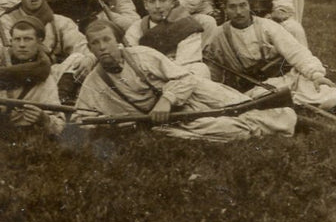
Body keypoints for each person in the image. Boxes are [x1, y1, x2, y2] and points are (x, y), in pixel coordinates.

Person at [73, 19, 296, 143]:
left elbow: (184, 78)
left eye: (106, 40)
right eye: (95, 43)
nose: (102, 47)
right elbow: (81, 118)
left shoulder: (142, 55)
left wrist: (166, 100)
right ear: (90, 48)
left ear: (117, 41)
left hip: (194, 94)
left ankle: (294, 116)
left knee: (246, 108)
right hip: (173, 120)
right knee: (234, 130)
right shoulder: (95, 83)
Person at [203, 0, 336, 112]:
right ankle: (298, 107)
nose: (238, 12)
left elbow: (296, 51)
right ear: (225, 9)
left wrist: (316, 74)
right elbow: (213, 69)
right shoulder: (218, 35)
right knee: (262, 98)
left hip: (283, 78)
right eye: (232, 7)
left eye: (243, 5)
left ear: (250, 6)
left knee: (310, 88)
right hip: (254, 88)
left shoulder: (266, 26)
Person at [0, 0, 94, 92]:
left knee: (79, 58)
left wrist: (89, 58)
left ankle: (61, 94)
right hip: (17, 74)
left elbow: (80, 46)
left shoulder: (59, 22)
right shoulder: (7, 20)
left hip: (50, 75)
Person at [123, 0, 211, 78]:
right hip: (150, 79)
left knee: (200, 69)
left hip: (180, 79)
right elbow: (133, 61)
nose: (157, 6)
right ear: (145, 5)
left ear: (172, 2)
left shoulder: (187, 26)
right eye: (152, 1)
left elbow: (185, 64)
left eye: (162, 0)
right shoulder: (136, 29)